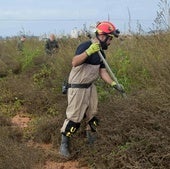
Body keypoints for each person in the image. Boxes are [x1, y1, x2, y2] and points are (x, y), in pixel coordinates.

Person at [59, 21, 125, 158]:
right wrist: (88, 52)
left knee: (93, 115)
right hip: (77, 88)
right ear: (102, 36)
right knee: (74, 118)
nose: (110, 42)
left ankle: (91, 142)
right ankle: (64, 145)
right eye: (110, 38)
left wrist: (113, 84)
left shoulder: (101, 53)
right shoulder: (85, 46)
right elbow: (75, 62)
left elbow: (103, 72)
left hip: (90, 87)